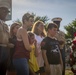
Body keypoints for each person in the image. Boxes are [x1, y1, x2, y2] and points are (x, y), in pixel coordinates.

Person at [0, 6, 11, 75]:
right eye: (4, 11)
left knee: (3, 69)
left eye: (7, 12)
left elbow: (8, 37)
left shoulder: (6, 25)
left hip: (5, 48)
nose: (6, 13)